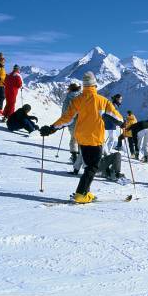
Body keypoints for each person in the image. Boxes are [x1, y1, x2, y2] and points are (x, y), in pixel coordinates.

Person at [40, 71, 123, 204]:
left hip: (81, 138)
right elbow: (117, 117)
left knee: (88, 165)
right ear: (95, 85)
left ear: (84, 86)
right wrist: (123, 123)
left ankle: (86, 191)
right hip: (95, 139)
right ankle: (81, 194)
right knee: (92, 167)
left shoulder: (77, 100)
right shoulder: (103, 101)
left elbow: (67, 119)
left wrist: (51, 128)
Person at [62, 83, 82, 163]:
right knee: (81, 139)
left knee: (74, 138)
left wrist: (63, 121)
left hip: (72, 122)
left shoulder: (68, 98)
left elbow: (64, 110)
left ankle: (74, 156)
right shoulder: (82, 97)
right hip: (82, 121)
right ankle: (81, 157)